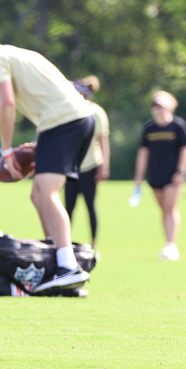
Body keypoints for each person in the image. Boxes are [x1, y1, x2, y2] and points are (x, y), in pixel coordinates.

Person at [0, 20, 94, 294]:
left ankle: (68, 267)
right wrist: (44, 141)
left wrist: (6, 150)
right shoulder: (19, 53)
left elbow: (7, 103)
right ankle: (59, 266)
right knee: (38, 194)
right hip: (73, 120)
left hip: (64, 123)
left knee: (46, 193)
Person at [129, 91, 186, 261]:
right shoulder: (149, 128)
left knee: (170, 207)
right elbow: (143, 152)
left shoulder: (177, 126)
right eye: (155, 106)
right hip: (155, 174)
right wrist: (139, 176)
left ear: (169, 106)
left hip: (173, 175)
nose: (157, 109)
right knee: (163, 209)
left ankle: (171, 245)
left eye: (160, 106)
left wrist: (181, 171)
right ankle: (167, 243)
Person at [65, 76, 109, 248]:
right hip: (71, 166)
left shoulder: (96, 112)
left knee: (90, 206)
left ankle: (94, 244)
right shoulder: (69, 110)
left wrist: (104, 166)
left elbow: (102, 140)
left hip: (90, 166)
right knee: (68, 208)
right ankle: (64, 243)